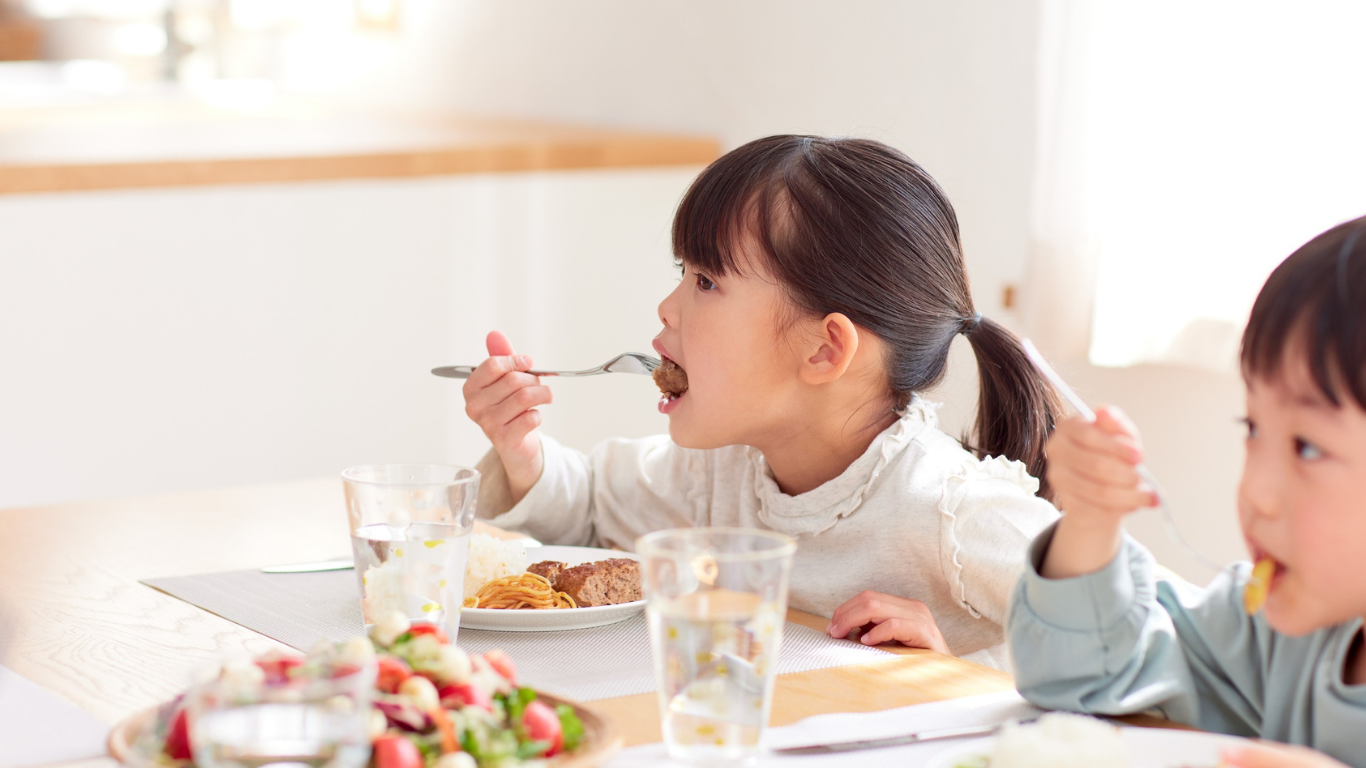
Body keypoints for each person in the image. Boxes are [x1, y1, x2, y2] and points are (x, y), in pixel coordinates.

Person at [464, 135, 1061, 669]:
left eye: (705, 282)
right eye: (684, 271)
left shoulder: (951, 512)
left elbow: (1136, 640)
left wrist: (955, 668)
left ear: (825, 351)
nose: (666, 307)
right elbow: (590, 507)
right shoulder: (714, 477)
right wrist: (523, 452)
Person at [1007, 215, 1366, 767]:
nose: (1254, 493)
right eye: (1253, 430)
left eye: (1308, 448)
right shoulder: (1273, 629)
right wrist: (1091, 523)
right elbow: (1082, 681)